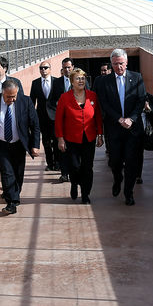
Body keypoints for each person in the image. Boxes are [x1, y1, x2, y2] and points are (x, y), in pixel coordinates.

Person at [92, 49, 146, 206]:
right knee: (115, 161)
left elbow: (141, 100)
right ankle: (117, 178)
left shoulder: (137, 78)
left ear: (127, 62)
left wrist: (132, 119)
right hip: (114, 128)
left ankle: (128, 192)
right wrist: (119, 119)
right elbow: (103, 103)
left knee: (131, 161)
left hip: (132, 128)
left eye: (121, 63)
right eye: (115, 64)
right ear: (111, 64)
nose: (118, 67)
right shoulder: (102, 81)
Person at [0, 79, 41, 215]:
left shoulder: (25, 101)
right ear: (3, 92)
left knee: (18, 173)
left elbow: (35, 124)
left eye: (14, 96)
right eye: (8, 97)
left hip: (19, 143)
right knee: (7, 172)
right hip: (0, 144)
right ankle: (11, 202)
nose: (12, 99)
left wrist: (35, 145)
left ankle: (15, 194)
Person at [55, 68, 103, 204]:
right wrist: (60, 138)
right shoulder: (65, 97)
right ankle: (74, 183)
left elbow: (98, 116)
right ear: (71, 81)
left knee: (87, 167)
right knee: (74, 166)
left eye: (83, 78)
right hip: (71, 139)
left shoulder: (92, 96)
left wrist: (100, 134)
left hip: (89, 138)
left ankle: (86, 193)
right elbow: (59, 120)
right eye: (78, 78)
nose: (81, 81)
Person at [46, 57, 74, 181]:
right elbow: (51, 101)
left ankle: (74, 173)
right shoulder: (57, 82)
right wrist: (55, 117)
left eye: (69, 67)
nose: (67, 70)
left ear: (73, 67)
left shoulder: (80, 80)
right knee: (62, 148)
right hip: (61, 122)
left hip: (76, 122)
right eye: (64, 68)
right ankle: (64, 173)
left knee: (74, 149)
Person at [30, 61, 56, 171]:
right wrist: (32, 117)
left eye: (45, 67)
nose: (43, 70)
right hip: (42, 117)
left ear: (50, 69)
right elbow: (32, 101)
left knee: (56, 140)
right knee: (46, 142)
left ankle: (58, 163)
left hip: (55, 117)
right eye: (41, 68)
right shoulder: (35, 83)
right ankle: (50, 164)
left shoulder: (57, 81)